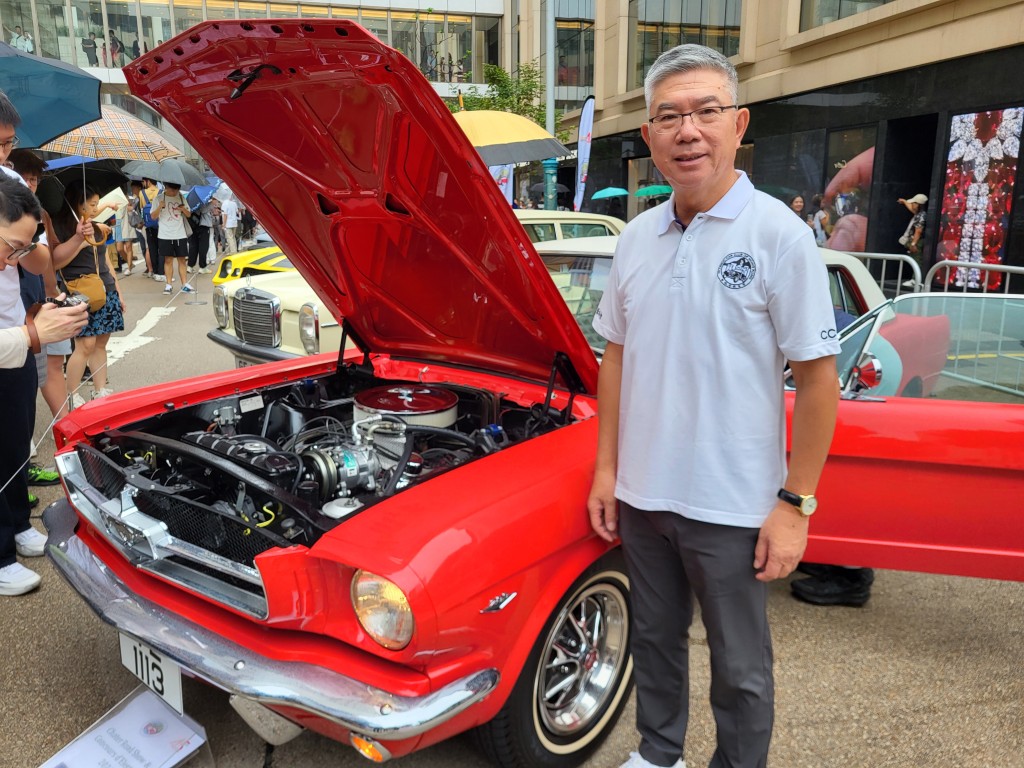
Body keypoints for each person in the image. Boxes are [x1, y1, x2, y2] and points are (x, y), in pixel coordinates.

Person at [586, 44, 840, 768]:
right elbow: (617, 356)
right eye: (669, 116)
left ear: (739, 124)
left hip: (732, 505)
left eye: (706, 111)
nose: (687, 130)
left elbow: (818, 381)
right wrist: (607, 470)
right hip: (642, 494)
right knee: (654, 642)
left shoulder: (779, 237)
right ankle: (658, 752)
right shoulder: (635, 239)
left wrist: (796, 502)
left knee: (740, 668)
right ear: (649, 137)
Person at [8, 149, 74, 422]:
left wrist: (80, 239)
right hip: (21, 316)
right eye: (25, 179)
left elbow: (49, 262)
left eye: (34, 180)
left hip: (37, 306)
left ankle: (65, 429)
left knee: (48, 369)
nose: (29, 185)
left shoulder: (39, 214)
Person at [51, 180, 126, 407]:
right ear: (77, 204)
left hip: (105, 288)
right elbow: (56, 262)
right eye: (91, 205)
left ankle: (100, 389)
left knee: (101, 343)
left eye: (96, 205)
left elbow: (105, 261)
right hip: (79, 290)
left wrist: (118, 292)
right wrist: (82, 241)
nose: (95, 209)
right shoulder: (60, 226)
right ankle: (72, 394)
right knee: (85, 344)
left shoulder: (94, 224)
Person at [150, 182, 193, 294]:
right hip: (165, 234)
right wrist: (160, 206)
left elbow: (189, 215)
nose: (174, 192)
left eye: (176, 190)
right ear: (166, 188)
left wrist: (183, 209)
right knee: (168, 259)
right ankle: (168, 284)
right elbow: (153, 216)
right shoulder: (158, 198)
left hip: (180, 233)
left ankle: (184, 284)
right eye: (172, 190)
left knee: (182, 259)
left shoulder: (181, 197)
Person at [139, 178, 163, 281]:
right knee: (161, 248)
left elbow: (141, 207)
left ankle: (155, 271)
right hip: (160, 224)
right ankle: (162, 272)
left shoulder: (142, 193)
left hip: (148, 224)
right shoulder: (161, 192)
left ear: (148, 181)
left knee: (152, 248)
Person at [898, 192, 927, 262]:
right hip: (915, 241)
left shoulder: (921, 216)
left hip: (917, 243)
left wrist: (913, 244)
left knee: (916, 263)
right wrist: (904, 201)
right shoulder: (920, 213)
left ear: (918, 205)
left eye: (913, 203)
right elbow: (911, 208)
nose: (912, 204)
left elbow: (918, 231)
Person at [187, 198, 213, 274]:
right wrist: (211, 204)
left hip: (194, 225)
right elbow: (203, 210)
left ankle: (190, 266)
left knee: (193, 246)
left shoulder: (192, 200)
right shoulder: (202, 200)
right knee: (203, 247)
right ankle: (202, 267)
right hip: (203, 225)